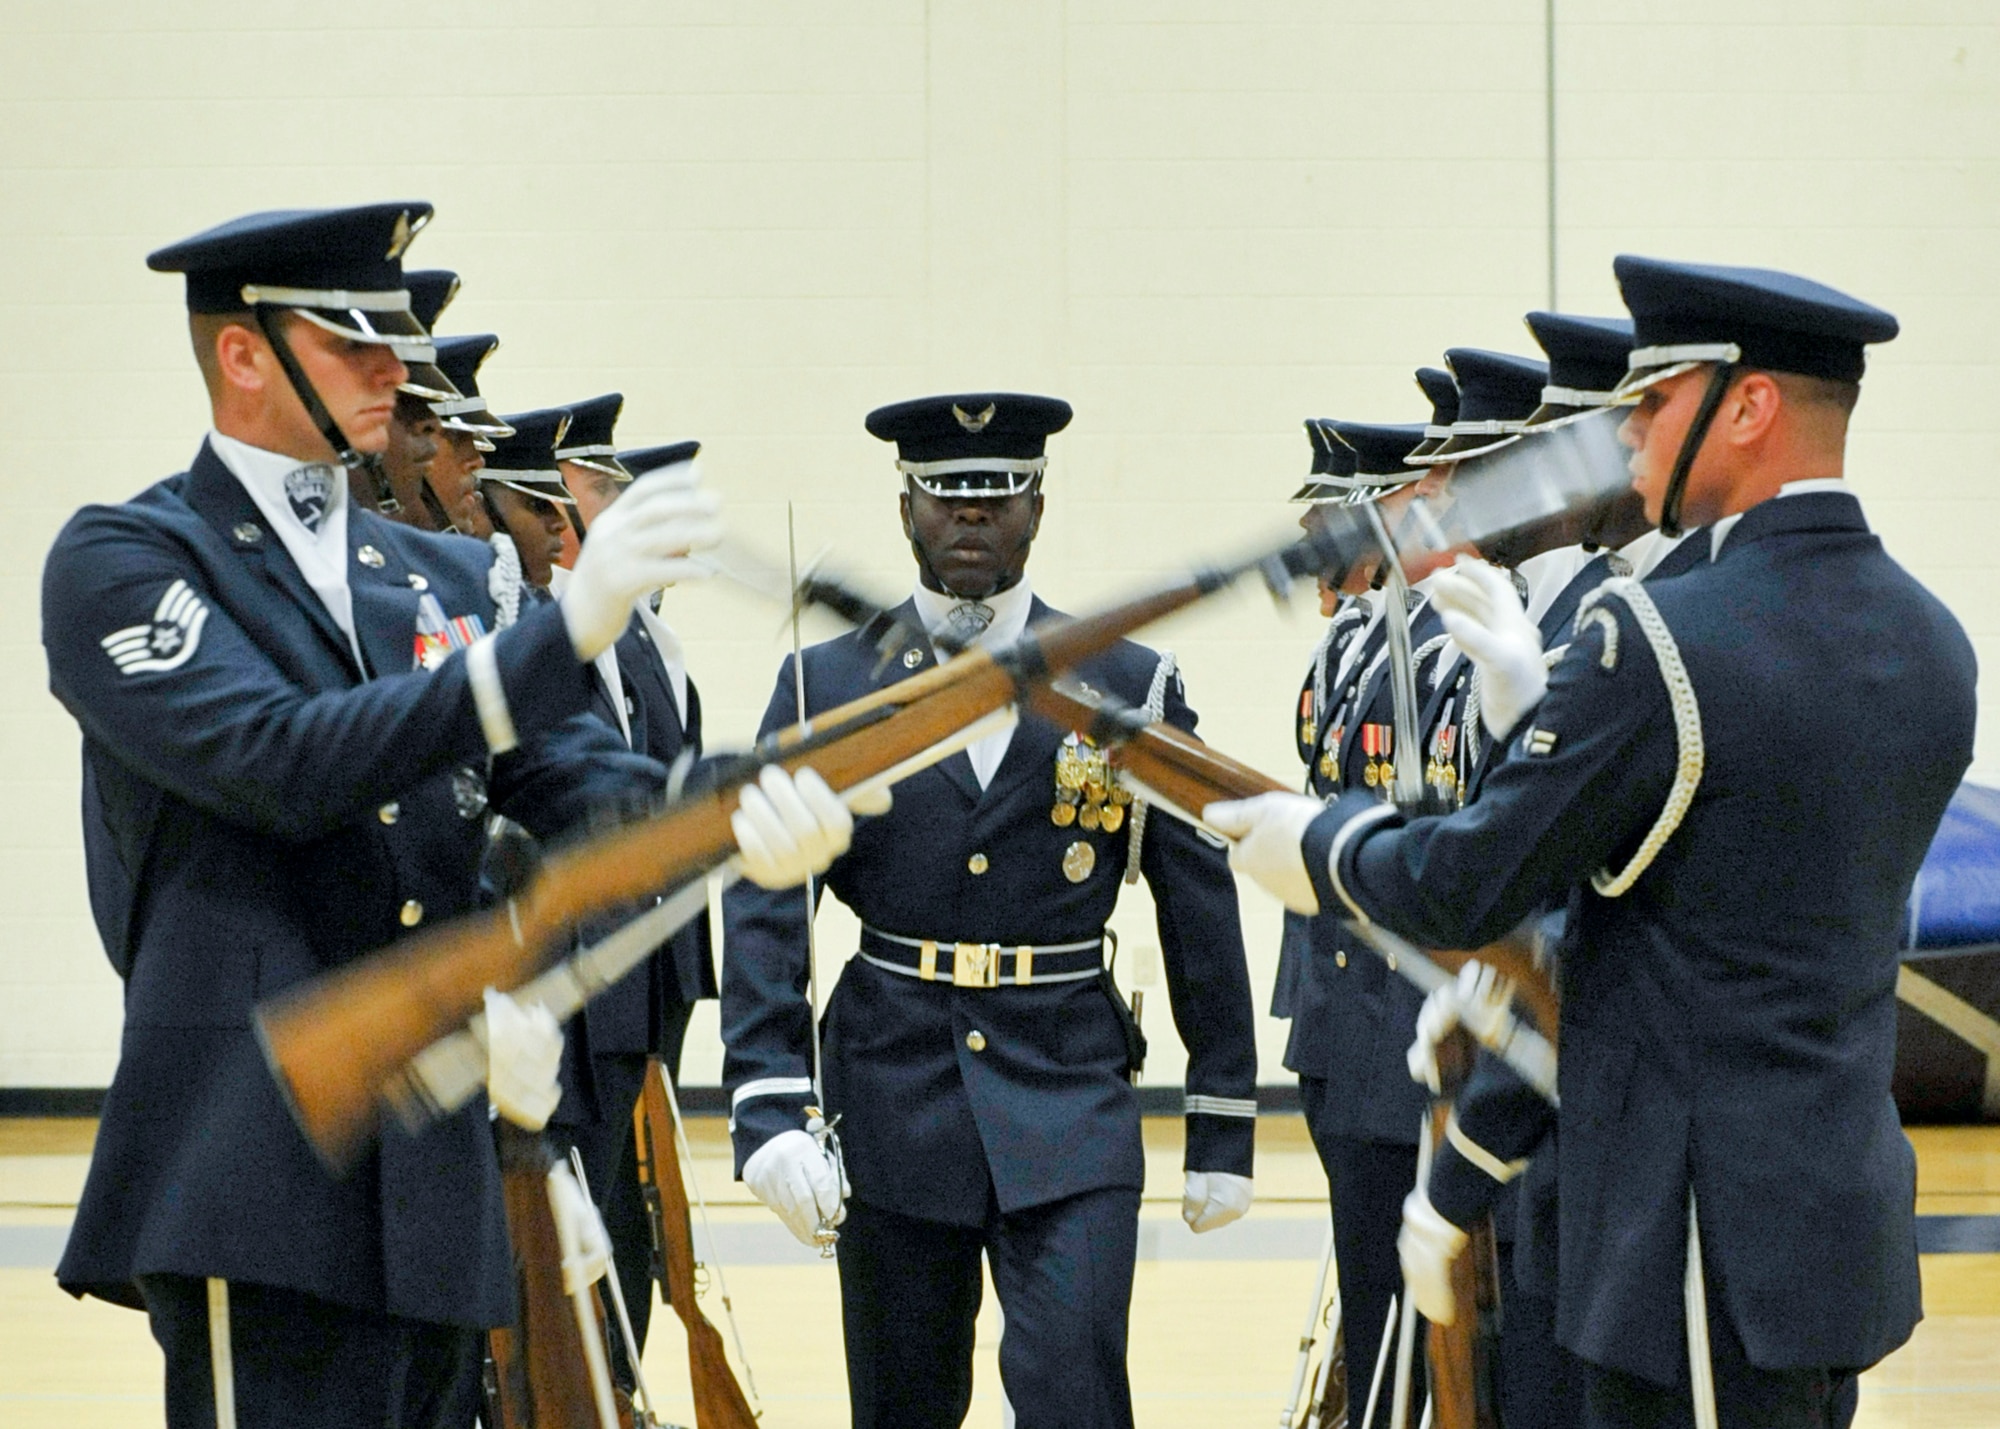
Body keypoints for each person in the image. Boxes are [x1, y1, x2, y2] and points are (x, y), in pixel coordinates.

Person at [40, 202, 853, 1429]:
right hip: (252, 1159)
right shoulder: (131, 560)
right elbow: (284, 762)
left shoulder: (442, 575)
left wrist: (726, 813)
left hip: (435, 1168)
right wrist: (558, 638)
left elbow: (571, 784)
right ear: (242, 354)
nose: (391, 370)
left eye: (396, 339)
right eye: (352, 338)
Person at [1209, 257, 1975, 1429]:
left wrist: (1318, 845)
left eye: (1653, 399)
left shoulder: (1660, 637)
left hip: (1689, 1235)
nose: (1624, 435)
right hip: (1835, 1214)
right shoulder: (1934, 642)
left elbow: (1466, 878)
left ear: (1749, 405)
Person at [721, 392, 1260, 1429]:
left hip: (1068, 1089)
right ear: (905, 510)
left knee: (1074, 1385)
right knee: (903, 1402)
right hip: (891, 1090)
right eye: (944, 498)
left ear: (1038, 510)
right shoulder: (825, 683)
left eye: (996, 498)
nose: (969, 519)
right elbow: (765, 894)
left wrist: (1223, 1111)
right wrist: (766, 1096)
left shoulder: (1124, 680)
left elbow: (1196, 901)